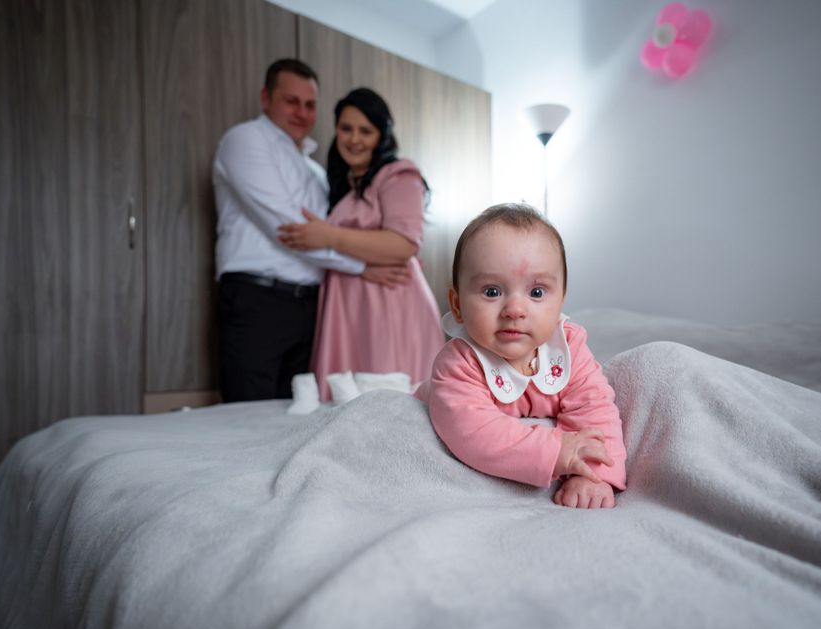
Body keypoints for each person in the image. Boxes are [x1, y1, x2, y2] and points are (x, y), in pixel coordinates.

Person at [213, 60, 409, 403]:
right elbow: (292, 231)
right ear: (266, 98)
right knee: (248, 412)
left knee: (299, 411)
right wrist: (362, 266)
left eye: (310, 105)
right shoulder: (245, 140)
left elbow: (325, 233)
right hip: (258, 299)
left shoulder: (317, 173)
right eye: (291, 101)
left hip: (311, 307)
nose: (302, 113)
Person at [415, 203, 627, 509]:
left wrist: (592, 473)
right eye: (492, 292)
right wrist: (557, 450)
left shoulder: (567, 349)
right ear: (457, 305)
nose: (514, 310)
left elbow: (595, 409)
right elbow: (476, 433)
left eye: (537, 292)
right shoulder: (459, 364)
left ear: (561, 301)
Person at [278, 88, 444, 400]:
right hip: (346, 302)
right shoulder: (339, 183)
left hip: (389, 303)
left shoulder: (398, 176)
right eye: (346, 128)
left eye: (366, 131)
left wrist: (328, 236)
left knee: (387, 397)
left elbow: (404, 244)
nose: (354, 139)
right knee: (344, 402)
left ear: (382, 135)